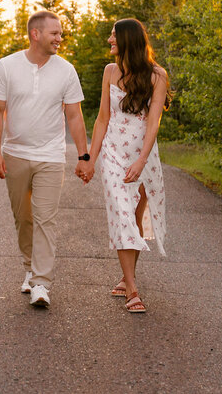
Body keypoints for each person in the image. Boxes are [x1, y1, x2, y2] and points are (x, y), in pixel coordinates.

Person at [0, 10, 94, 309]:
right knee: (23, 217)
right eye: (55, 33)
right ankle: (29, 267)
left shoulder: (66, 70)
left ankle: (41, 284)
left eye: (60, 33)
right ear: (36, 34)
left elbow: (74, 115)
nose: (60, 38)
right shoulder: (7, 66)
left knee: (46, 218)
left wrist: (84, 156)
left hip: (50, 156)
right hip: (16, 153)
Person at [87, 17, 168, 314]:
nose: (109, 41)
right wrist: (90, 160)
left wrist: (142, 160)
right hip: (112, 152)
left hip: (142, 154)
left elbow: (153, 123)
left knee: (134, 215)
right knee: (122, 212)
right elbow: (101, 119)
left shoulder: (157, 76)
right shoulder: (109, 71)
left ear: (127, 40)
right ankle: (133, 290)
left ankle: (125, 276)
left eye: (113, 36)